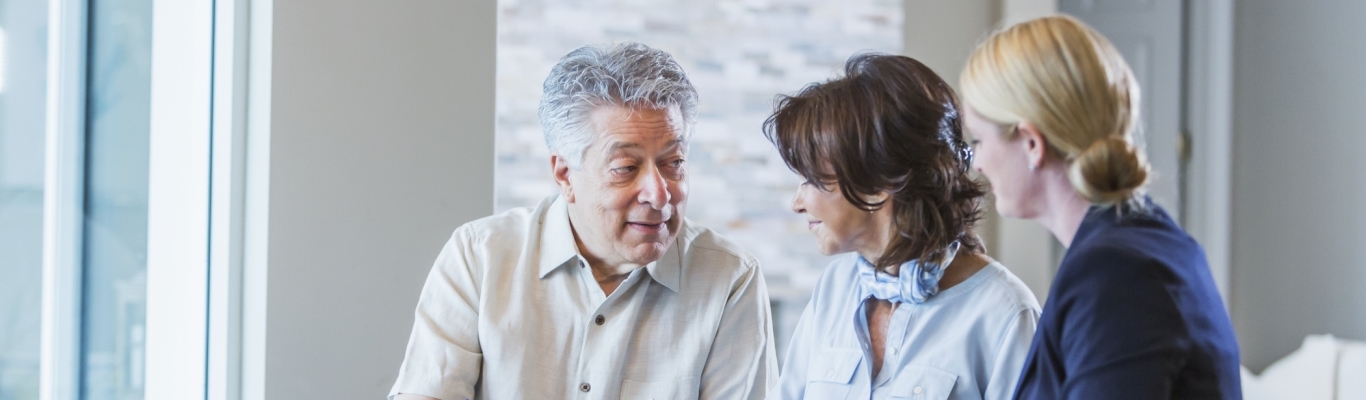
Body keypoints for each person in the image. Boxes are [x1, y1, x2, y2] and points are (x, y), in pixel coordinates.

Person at [389, 42, 777, 400]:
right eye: (625, 167)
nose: (659, 194)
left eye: (673, 163)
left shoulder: (730, 279)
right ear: (564, 175)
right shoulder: (480, 256)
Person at [958, 15, 1242, 399]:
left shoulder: (1115, 274)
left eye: (978, 140)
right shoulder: (1147, 243)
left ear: (1030, 143)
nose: (976, 162)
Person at [766, 53, 1041, 400]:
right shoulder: (833, 289)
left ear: (879, 181)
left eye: (812, 180)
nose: (797, 202)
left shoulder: (1005, 314)